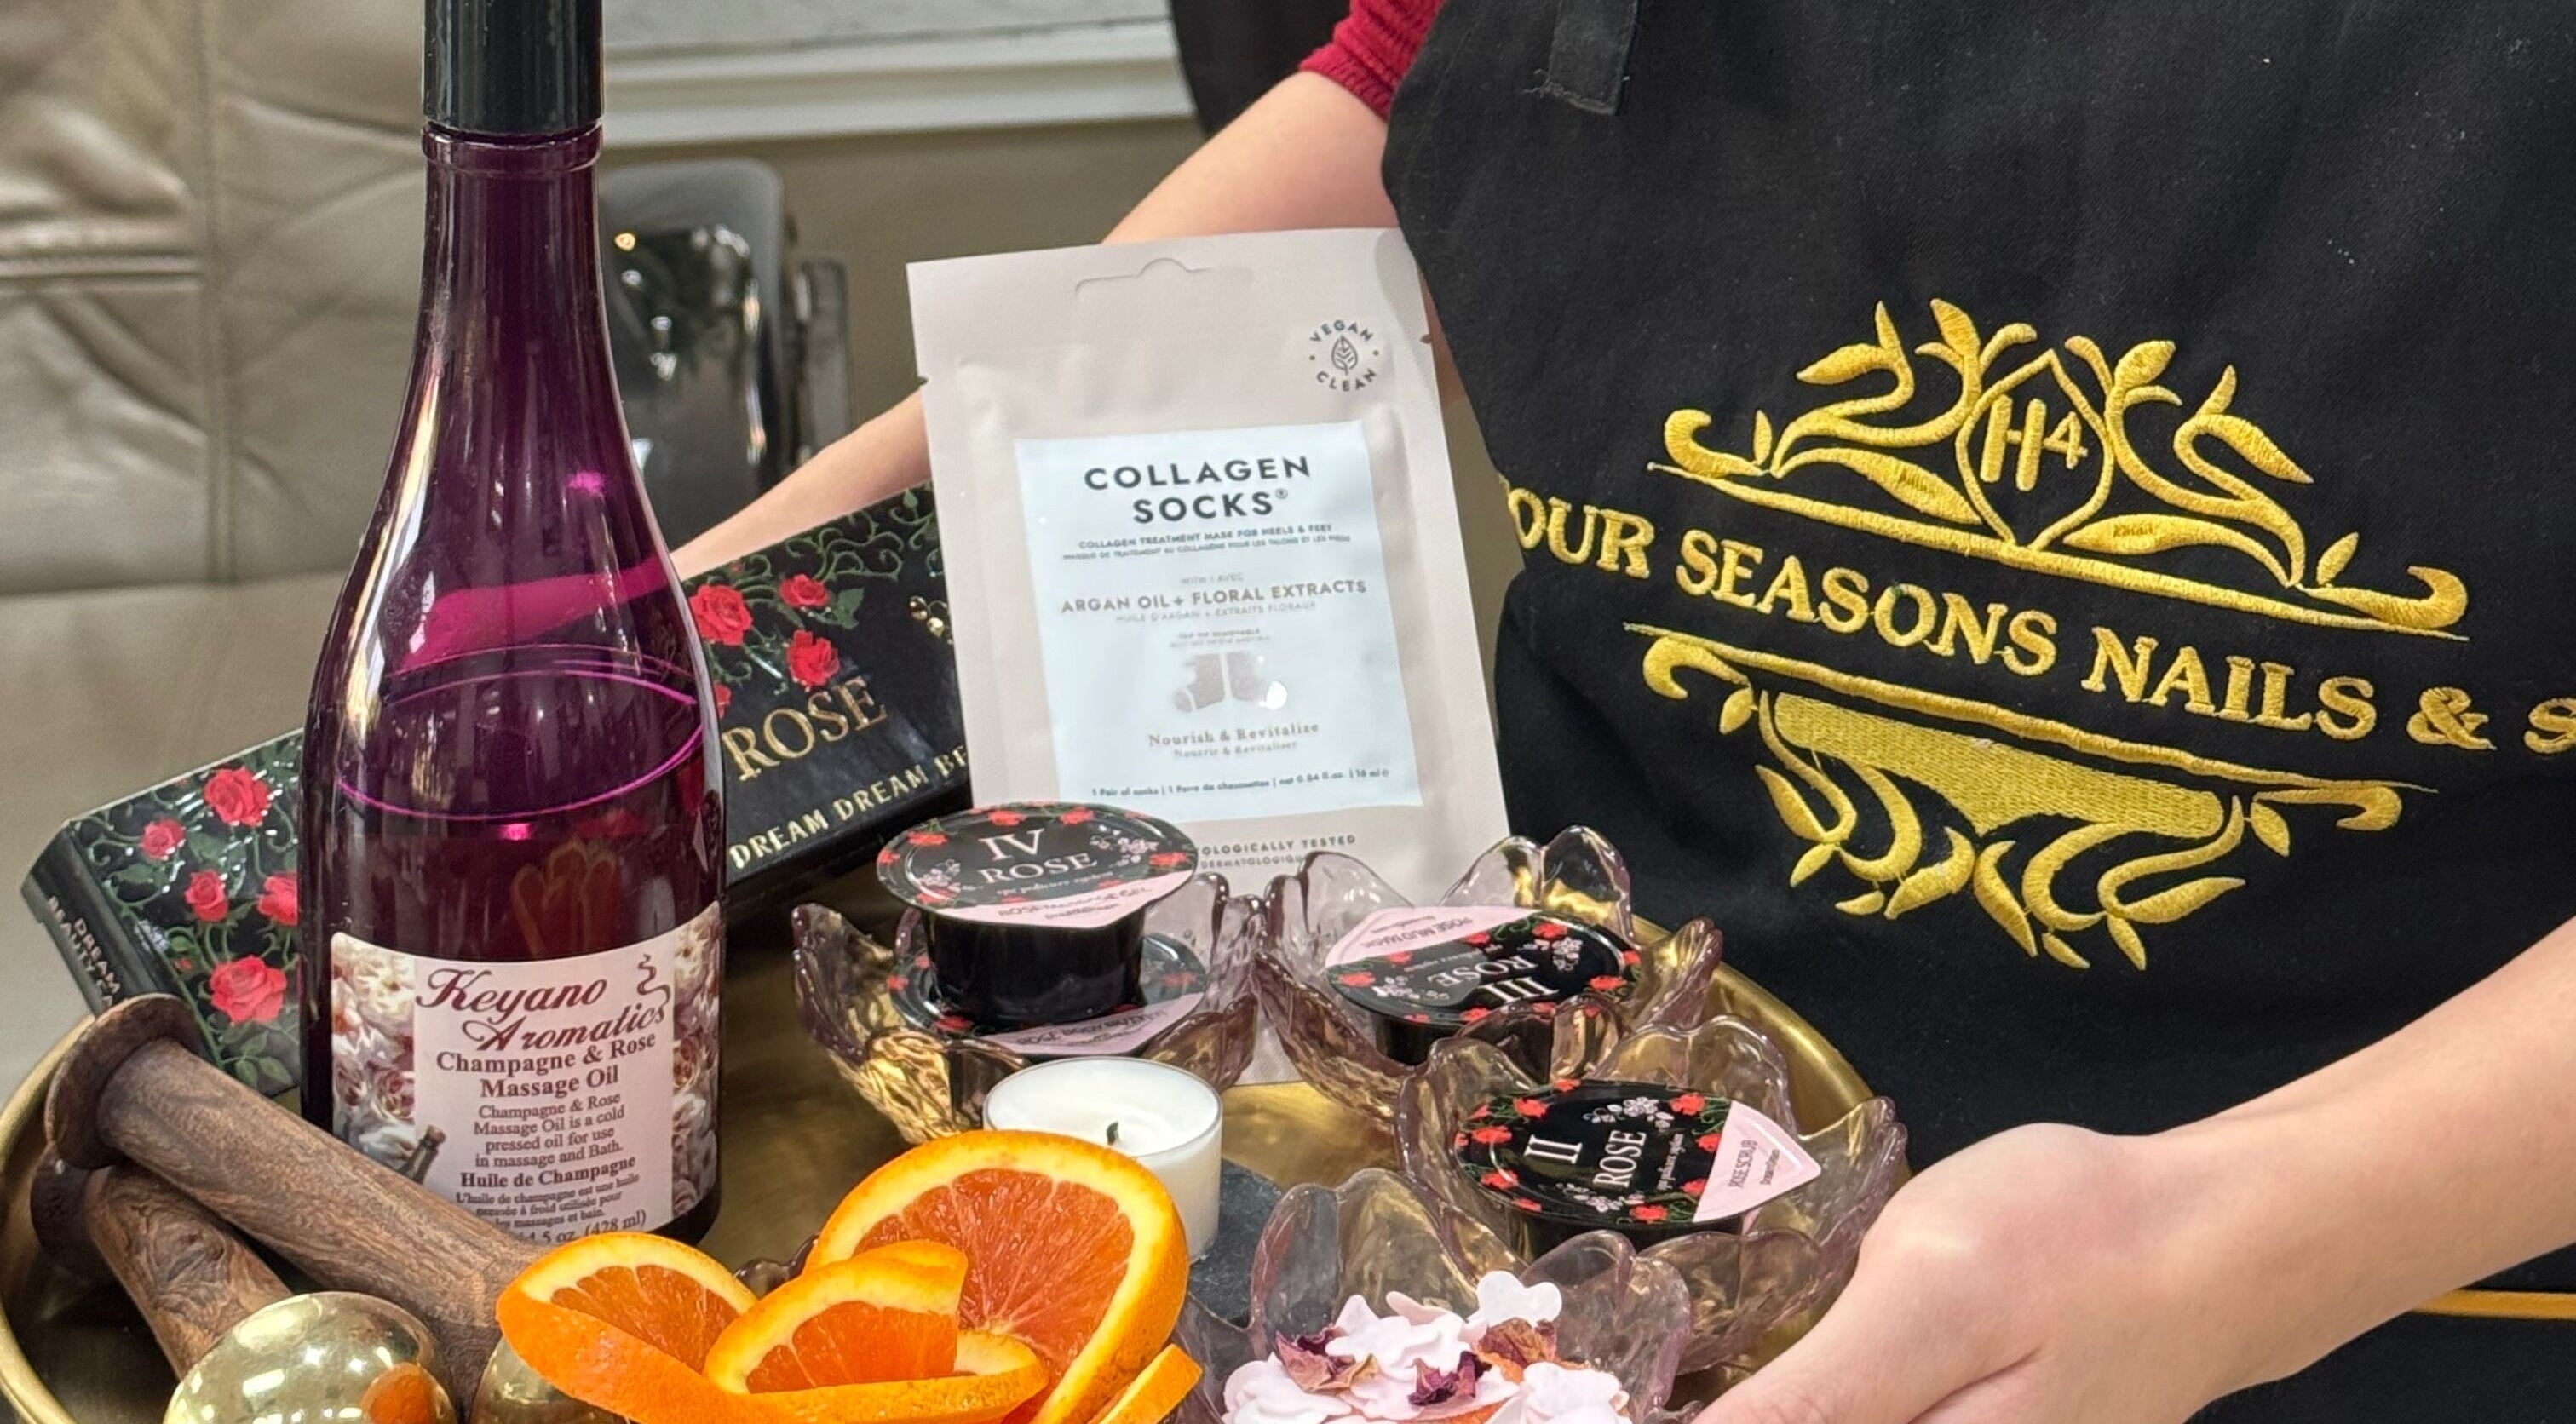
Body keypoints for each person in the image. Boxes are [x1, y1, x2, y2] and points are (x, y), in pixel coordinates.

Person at [683, 3, 2576, 1418]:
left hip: (2400, 1265)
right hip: (1572, 1176)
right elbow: (1410, 92)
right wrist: (695, 631)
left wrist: (2228, 1243)